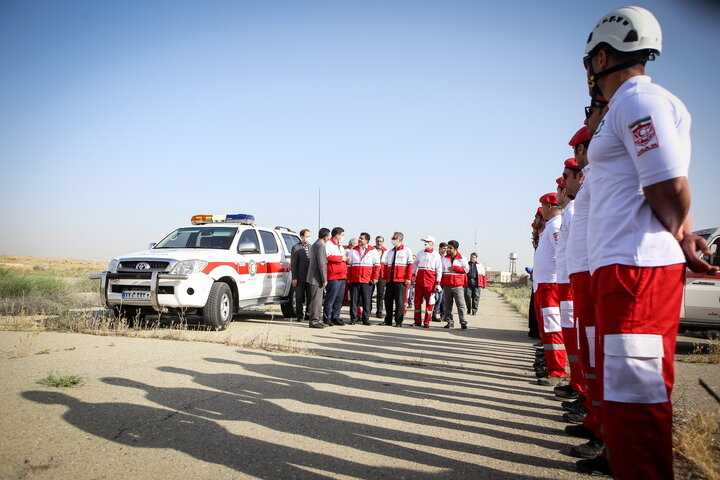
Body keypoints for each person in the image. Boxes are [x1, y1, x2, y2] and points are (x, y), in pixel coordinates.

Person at [579, 7, 718, 478]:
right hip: (621, 263)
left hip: (636, 266)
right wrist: (682, 230)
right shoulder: (629, 106)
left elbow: (667, 182)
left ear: (601, 58)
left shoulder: (640, 102)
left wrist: (680, 233)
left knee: (636, 394)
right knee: (623, 389)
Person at [533, 192, 566, 386]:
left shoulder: (555, 226)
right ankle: (552, 366)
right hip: (543, 285)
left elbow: (560, 254)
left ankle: (558, 371)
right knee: (547, 329)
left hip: (551, 285)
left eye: (544, 207)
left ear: (550, 207)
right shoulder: (549, 227)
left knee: (553, 328)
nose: (542, 210)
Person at [347, 232, 380, 325]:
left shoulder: (373, 251)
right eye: (359, 238)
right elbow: (349, 266)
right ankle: (353, 318)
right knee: (354, 300)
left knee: (367, 300)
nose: (359, 240)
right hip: (355, 279)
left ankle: (366, 318)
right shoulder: (353, 250)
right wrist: (348, 277)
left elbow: (377, 266)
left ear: (367, 240)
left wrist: (375, 277)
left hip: (367, 280)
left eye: (362, 238)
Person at [381, 232, 413, 327]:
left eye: (394, 238)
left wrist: (408, 278)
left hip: (400, 280)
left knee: (399, 302)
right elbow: (386, 265)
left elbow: (410, 266)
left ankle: (398, 321)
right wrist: (385, 278)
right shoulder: (390, 251)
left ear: (399, 239)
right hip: (390, 280)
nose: (392, 239)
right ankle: (388, 320)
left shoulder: (407, 251)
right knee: (388, 301)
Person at [411, 236, 442, 327]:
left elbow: (439, 270)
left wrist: (438, 283)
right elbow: (415, 264)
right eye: (425, 241)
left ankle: (427, 322)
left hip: (431, 279)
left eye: (427, 241)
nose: (426, 243)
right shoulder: (420, 253)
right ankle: (417, 321)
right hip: (420, 278)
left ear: (432, 243)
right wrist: (413, 275)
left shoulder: (436, 255)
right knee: (417, 301)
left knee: (430, 301)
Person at [440, 240, 470, 329]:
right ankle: (450, 322)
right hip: (447, 285)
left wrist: (455, 268)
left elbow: (466, 270)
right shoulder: (444, 258)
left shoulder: (462, 258)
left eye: (450, 248)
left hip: (458, 285)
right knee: (448, 305)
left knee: (460, 304)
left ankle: (463, 322)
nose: (448, 249)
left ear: (456, 249)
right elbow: (441, 270)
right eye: (448, 247)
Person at [306, 228, 331, 329]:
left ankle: (315, 319)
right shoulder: (320, 246)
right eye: (328, 236)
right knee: (317, 300)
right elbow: (322, 264)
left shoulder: (315, 244)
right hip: (316, 278)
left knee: (315, 300)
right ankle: (315, 321)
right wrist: (324, 278)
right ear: (325, 236)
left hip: (313, 276)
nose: (329, 237)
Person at [323, 227, 348, 326]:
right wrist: (341, 258)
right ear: (337, 235)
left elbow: (343, 258)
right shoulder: (328, 244)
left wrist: (346, 259)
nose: (343, 237)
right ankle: (327, 317)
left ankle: (335, 316)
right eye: (342, 235)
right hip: (333, 275)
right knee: (331, 298)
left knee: (339, 298)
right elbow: (327, 257)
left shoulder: (340, 246)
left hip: (342, 275)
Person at [290, 229, 312, 322]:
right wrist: (294, 277)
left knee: (310, 297)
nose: (308, 238)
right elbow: (293, 264)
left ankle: (308, 314)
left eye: (309, 236)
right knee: (299, 297)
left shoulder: (312, 247)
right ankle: (300, 315)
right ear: (302, 236)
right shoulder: (296, 248)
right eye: (307, 236)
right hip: (300, 276)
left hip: (310, 277)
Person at [431, 242, 448, 322]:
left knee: (441, 299)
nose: (445, 250)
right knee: (436, 298)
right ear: (440, 248)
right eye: (444, 248)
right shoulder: (435, 256)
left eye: (446, 248)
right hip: (434, 280)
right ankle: (433, 314)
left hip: (442, 281)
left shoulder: (446, 258)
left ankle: (439, 314)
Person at [373, 236, 388, 318]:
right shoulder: (371, 250)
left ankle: (379, 312)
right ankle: (368, 310)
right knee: (369, 294)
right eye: (378, 241)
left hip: (381, 276)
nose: (379, 243)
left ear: (383, 242)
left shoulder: (386, 251)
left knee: (380, 294)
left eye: (381, 241)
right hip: (371, 275)